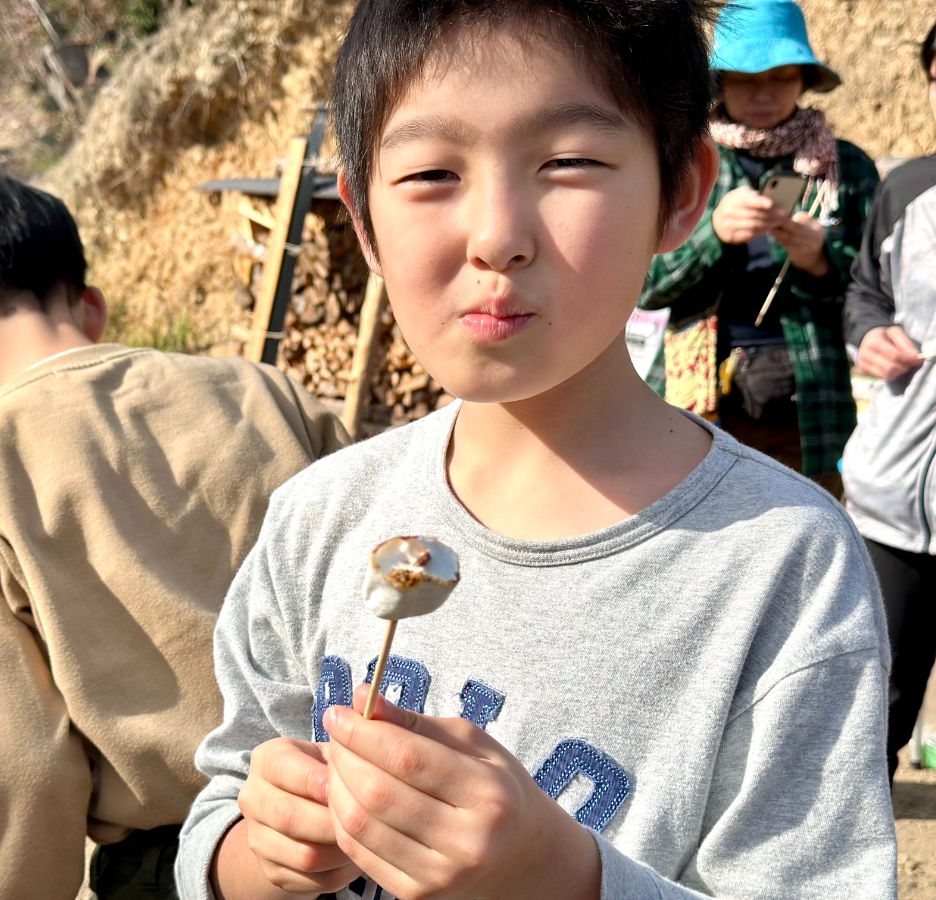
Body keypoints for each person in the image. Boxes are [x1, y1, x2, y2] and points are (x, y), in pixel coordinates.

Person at [175, 1, 895, 898]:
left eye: (568, 164)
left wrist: (562, 877)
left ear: (680, 193)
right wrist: (260, 858)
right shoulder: (319, 519)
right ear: (364, 222)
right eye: (433, 173)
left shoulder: (784, 566)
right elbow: (223, 808)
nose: (497, 238)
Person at [0, 165, 348, 899]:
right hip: (375, 815)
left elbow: (7, 771)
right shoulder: (269, 396)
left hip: (189, 862)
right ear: (90, 307)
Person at [638, 0, 880, 496]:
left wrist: (820, 260)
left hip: (809, 397)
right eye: (746, 78)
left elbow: (873, 292)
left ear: (804, 79)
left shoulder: (846, 167)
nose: (764, 93)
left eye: (781, 76)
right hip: (700, 394)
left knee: (805, 522)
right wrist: (713, 235)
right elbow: (644, 287)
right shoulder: (683, 161)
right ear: (719, 82)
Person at [842, 21, 936, 783]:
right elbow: (865, 291)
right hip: (895, 502)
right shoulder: (907, 189)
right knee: (874, 708)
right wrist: (870, 334)